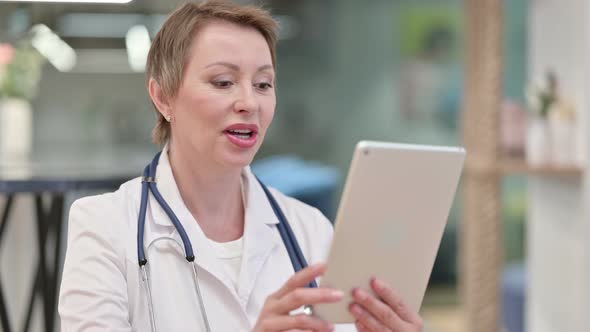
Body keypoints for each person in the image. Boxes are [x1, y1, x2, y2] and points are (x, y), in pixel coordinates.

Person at [58, 1, 424, 331]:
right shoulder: (104, 227)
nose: (249, 102)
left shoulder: (308, 230)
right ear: (163, 96)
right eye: (223, 82)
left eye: (264, 84)